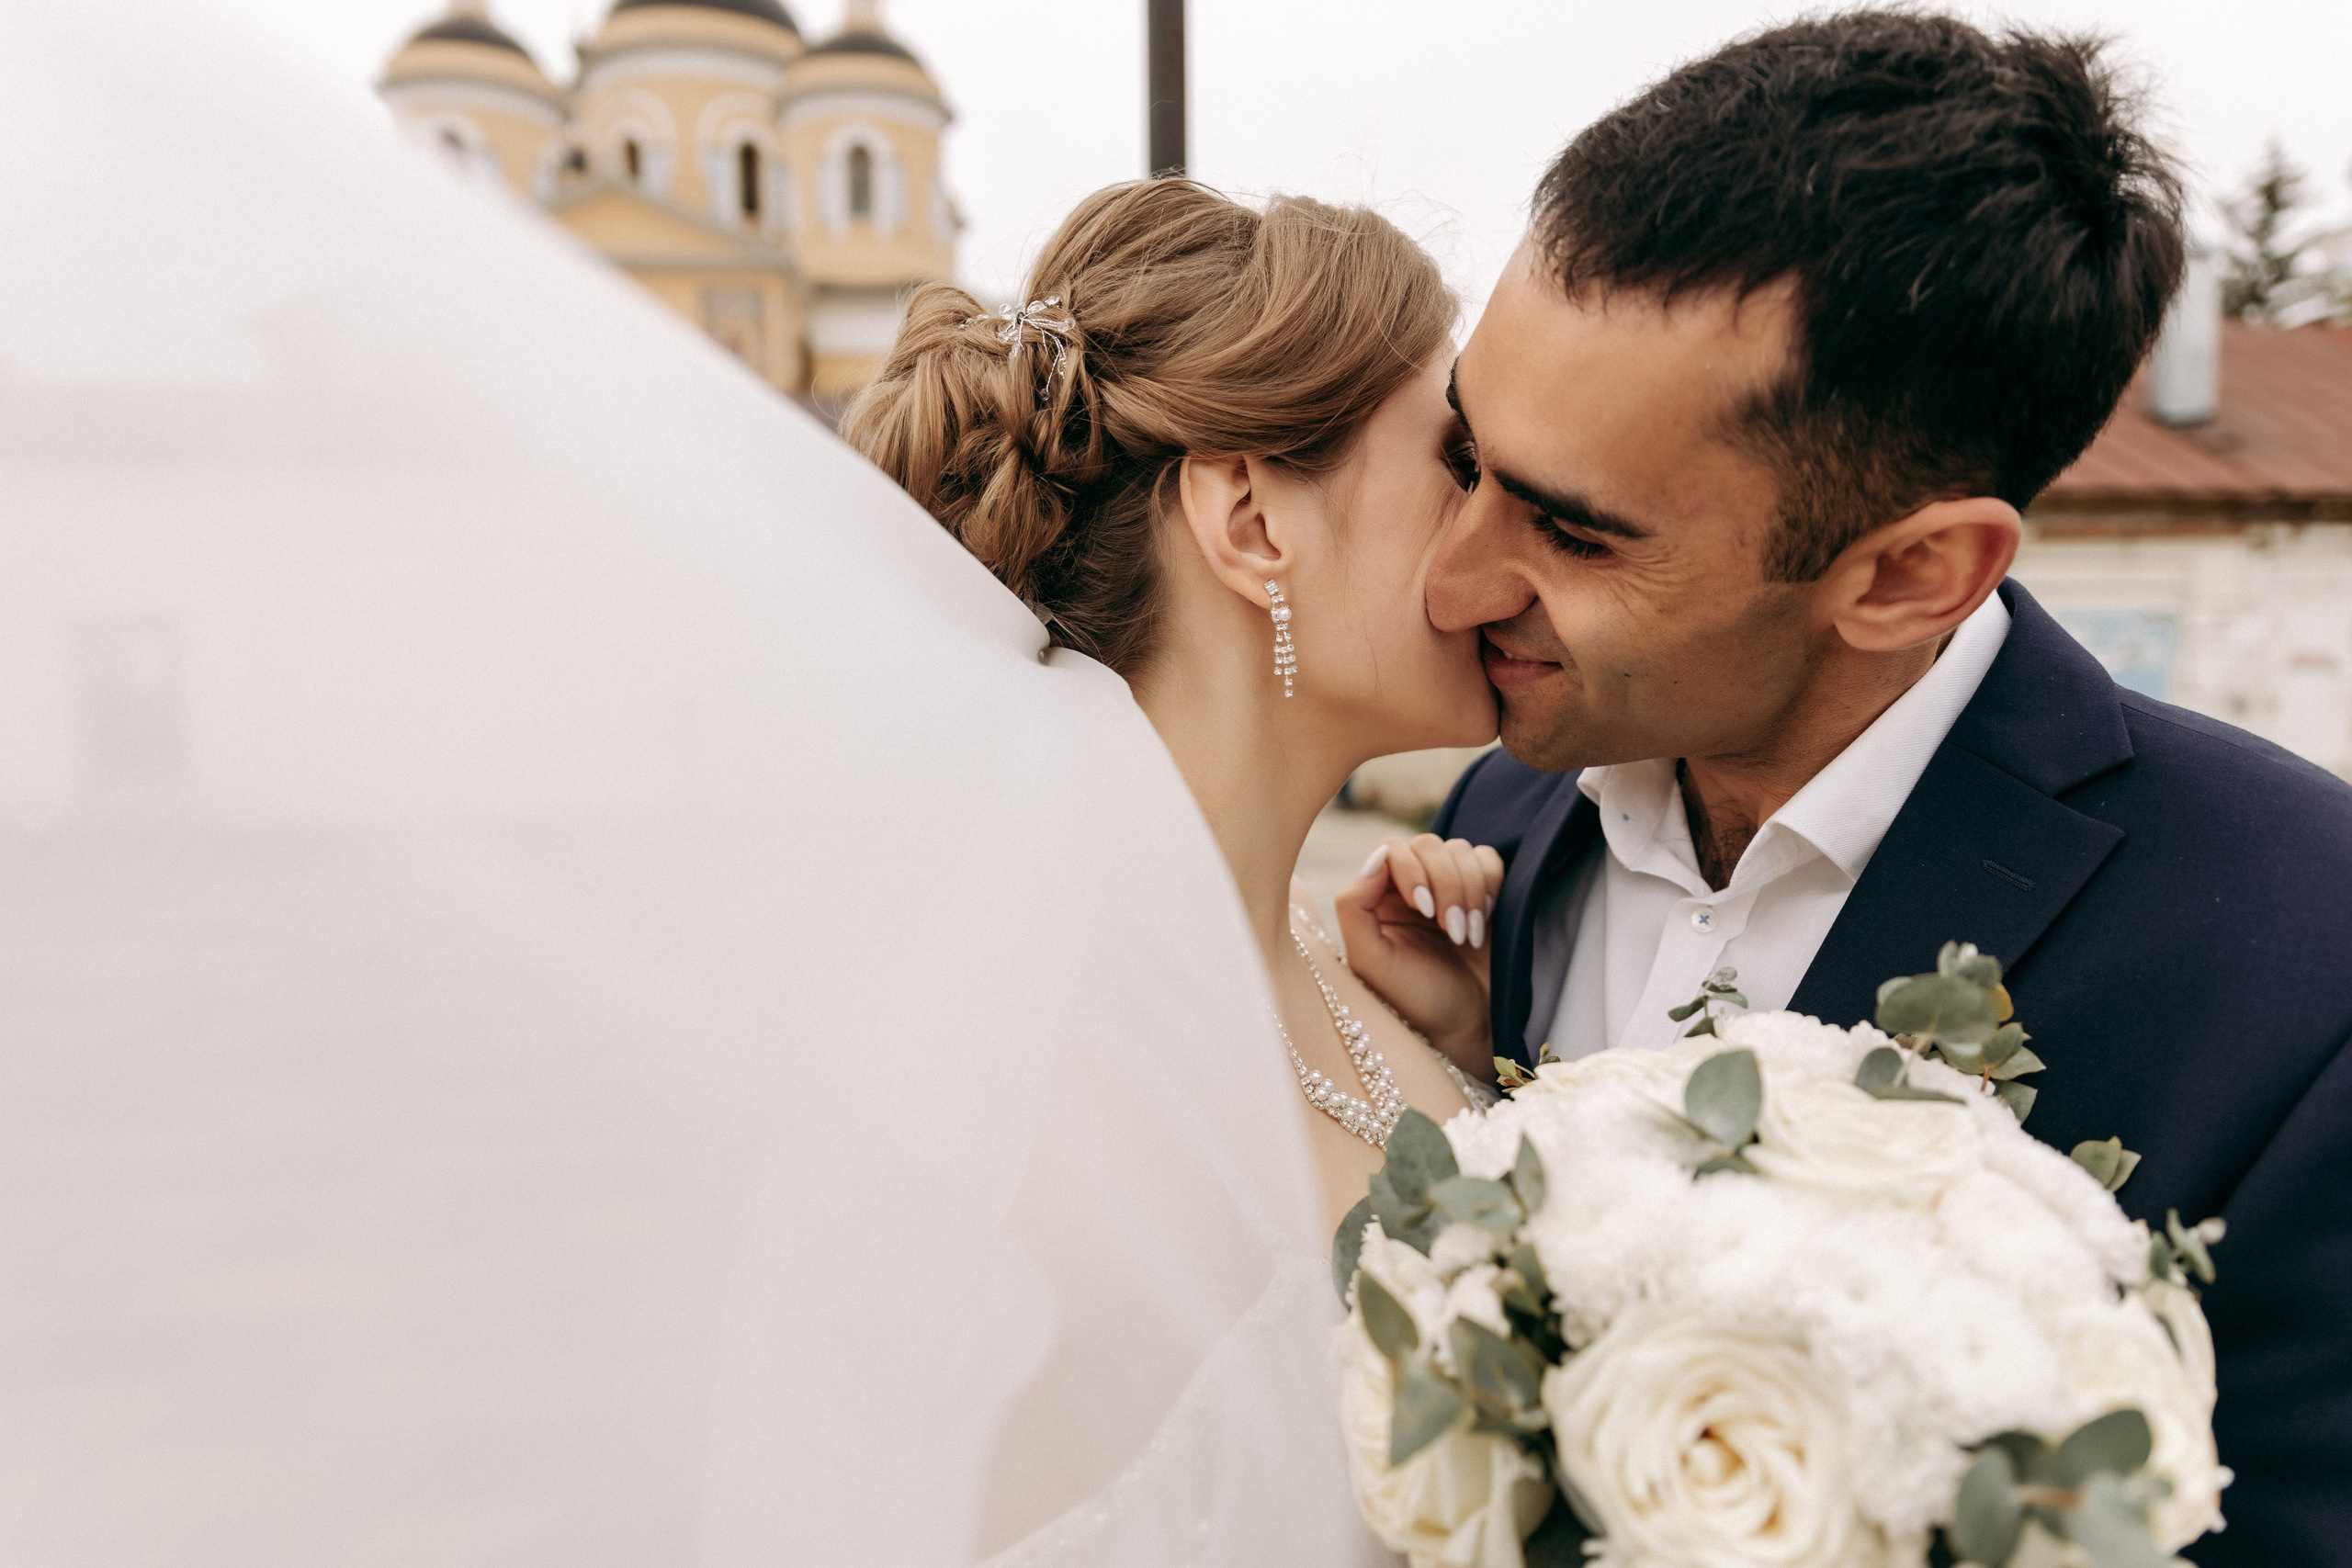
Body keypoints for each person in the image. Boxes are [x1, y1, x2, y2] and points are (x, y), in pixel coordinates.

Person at [1424, 14, 2352, 1563]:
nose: (1452, 585)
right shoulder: (1494, 831)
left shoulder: (2302, 967)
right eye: (1466, 453)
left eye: (1573, 533)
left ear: (1913, 573)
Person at [844, 179, 1511, 1223]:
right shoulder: (1037, 1092)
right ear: (1250, 523)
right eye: (1459, 461)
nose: (1500, 525)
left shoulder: (1352, 960)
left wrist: (1466, 1049)